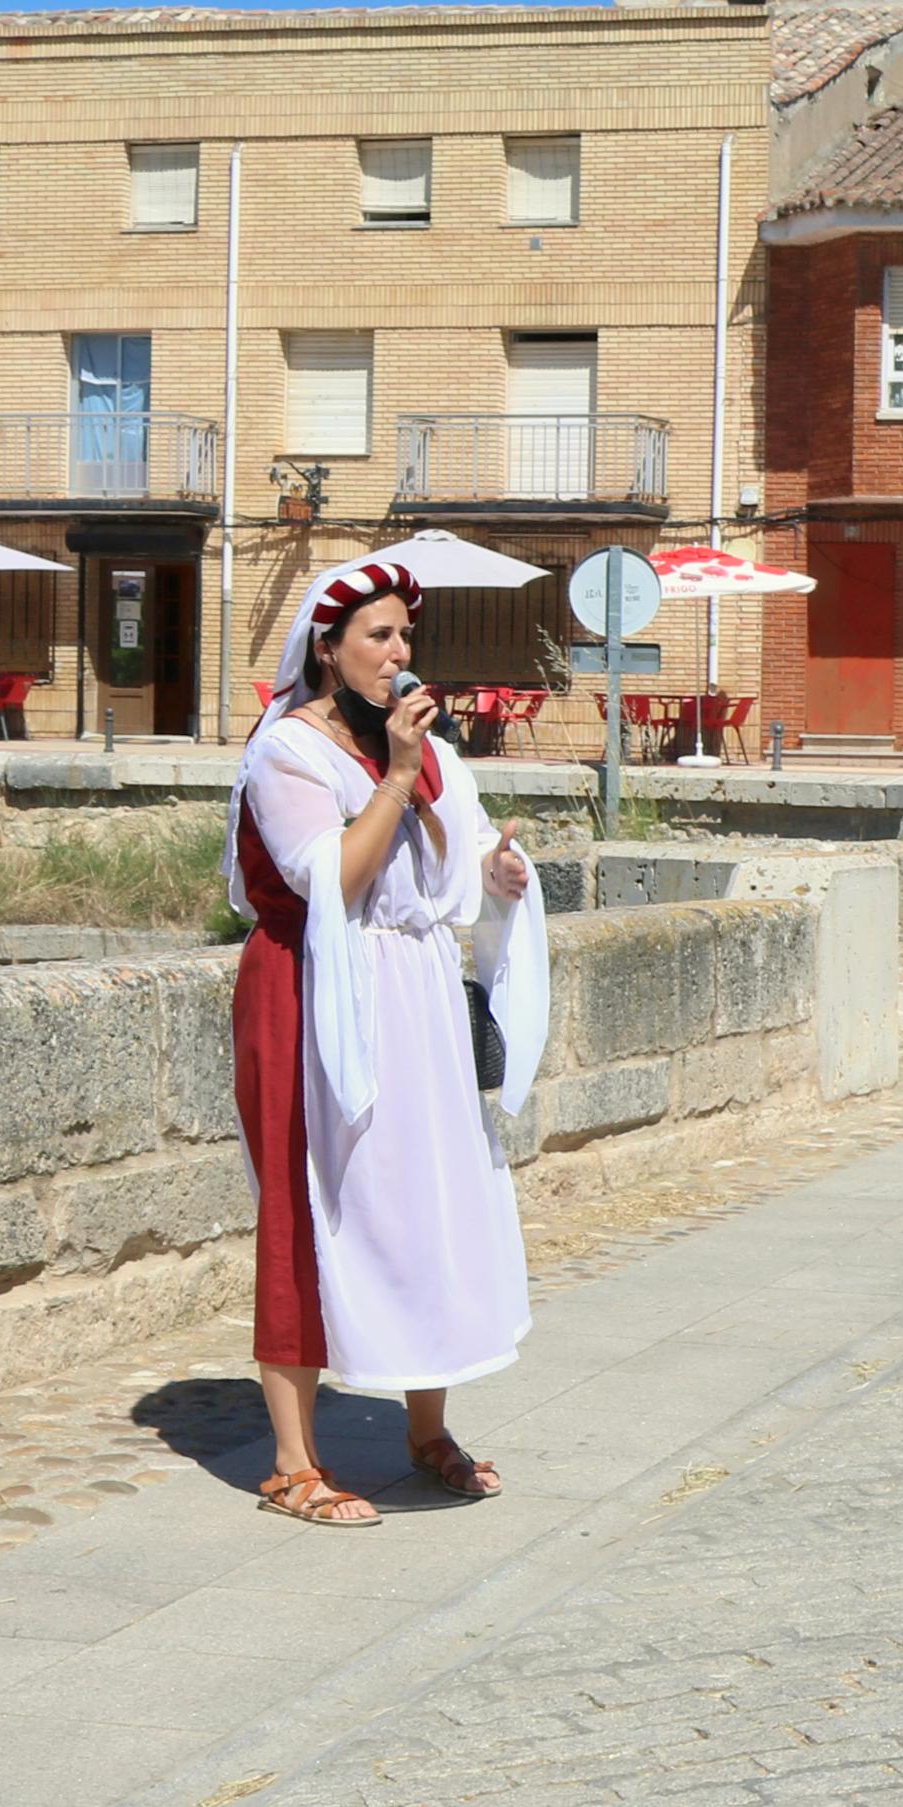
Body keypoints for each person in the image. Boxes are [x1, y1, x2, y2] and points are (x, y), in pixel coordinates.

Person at [229, 557, 549, 1528]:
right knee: (308, 1202)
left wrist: (494, 871)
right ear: (326, 650)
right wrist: (403, 773)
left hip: (411, 994)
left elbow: (444, 879)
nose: (399, 653)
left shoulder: (423, 753)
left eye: (406, 635)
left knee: (427, 1197)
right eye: (377, 634)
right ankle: (291, 1460)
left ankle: (426, 1428)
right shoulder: (289, 750)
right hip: (312, 988)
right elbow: (334, 878)